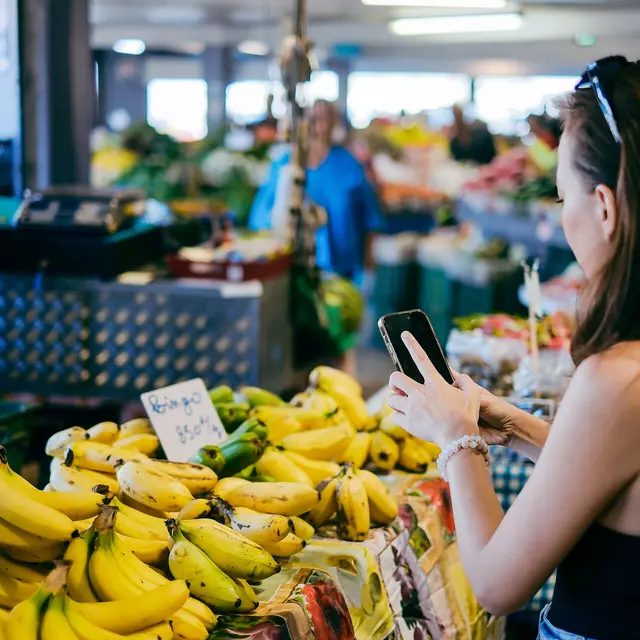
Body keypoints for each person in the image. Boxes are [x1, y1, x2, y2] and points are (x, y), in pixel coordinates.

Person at [387, 57, 640, 639]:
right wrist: (520, 428)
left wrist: (459, 440)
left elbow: (499, 585)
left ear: (603, 208)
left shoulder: (618, 378)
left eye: (561, 198)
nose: (562, 217)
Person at [249, 99, 383, 376]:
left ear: (334, 123)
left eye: (326, 117)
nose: (319, 124)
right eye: (314, 117)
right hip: (294, 271)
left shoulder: (347, 164)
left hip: (341, 270)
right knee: (300, 340)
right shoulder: (285, 165)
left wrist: (369, 265)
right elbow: (262, 217)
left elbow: (370, 218)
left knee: (339, 339)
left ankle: (343, 390)